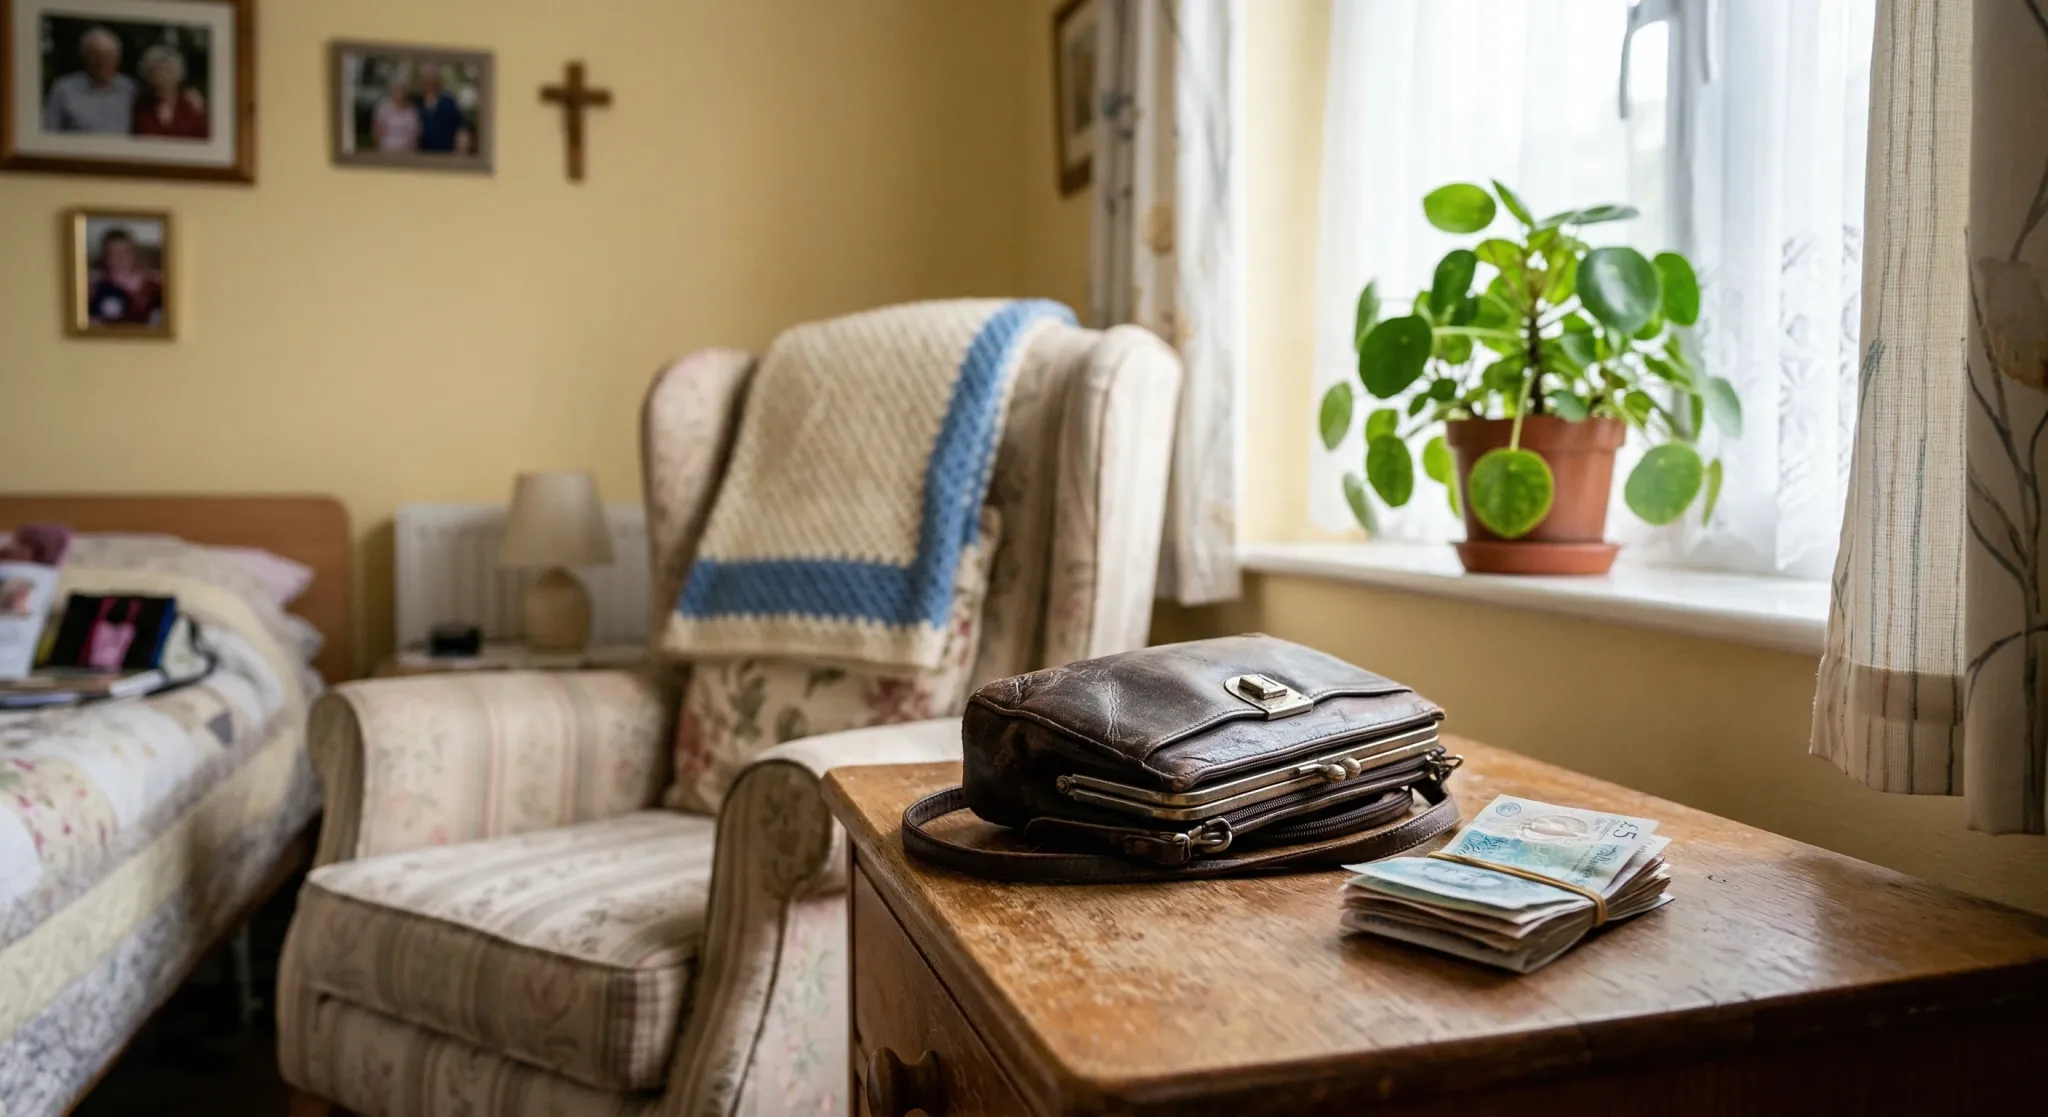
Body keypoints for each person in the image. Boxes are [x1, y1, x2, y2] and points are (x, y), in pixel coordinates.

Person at [41, 26, 137, 134]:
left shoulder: (131, 90)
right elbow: (48, 131)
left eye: (108, 57)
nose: (102, 63)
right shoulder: (63, 89)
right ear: (84, 58)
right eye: (95, 56)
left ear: (117, 60)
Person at [87, 228, 163, 327]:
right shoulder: (95, 288)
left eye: (126, 252)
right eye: (114, 253)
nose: (121, 258)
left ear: (134, 254)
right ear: (105, 257)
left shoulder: (153, 286)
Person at [131, 44, 208, 139]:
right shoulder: (140, 106)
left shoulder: (191, 105)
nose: (160, 80)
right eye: (155, 74)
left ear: (177, 76)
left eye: (166, 73)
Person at [414, 63, 469, 154]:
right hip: (423, 155)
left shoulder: (448, 101)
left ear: (438, 80)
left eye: (432, 78)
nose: (430, 82)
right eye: (426, 79)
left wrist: (461, 149)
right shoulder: (416, 102)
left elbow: (461, 128)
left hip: (445, 154)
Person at [370, 68, 419, 153]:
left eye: (402, 90)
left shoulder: (412, 111)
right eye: (396, 90)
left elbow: (415, 137)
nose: (400, 94)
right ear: (391, 91)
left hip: (407, 155)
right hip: (387, 153)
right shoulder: (383, 108)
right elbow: (376, 134)